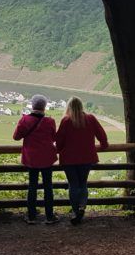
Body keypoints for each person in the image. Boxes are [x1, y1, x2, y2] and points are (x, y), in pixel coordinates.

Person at [55, 97, 108, 225]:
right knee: (83, 183)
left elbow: (59, 141)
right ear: (81, 106)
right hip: (87, 158)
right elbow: (102, 135)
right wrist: (103, 146)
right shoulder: (90, 119)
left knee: (73, 185)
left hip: (69, 159)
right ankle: (82, 207)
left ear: (69, 107)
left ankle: (75, 211)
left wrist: (58, 150)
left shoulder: (66, 121)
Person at [13, 94, 59, 225]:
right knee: (48, 187)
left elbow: (16, 137)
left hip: (31, 158)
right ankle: (49, 216)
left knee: (32, 187)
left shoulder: (25, 120)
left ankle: (31, 216)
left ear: (32, 105)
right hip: (47, 158)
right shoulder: (50, 121)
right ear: (44, 107)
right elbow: (53, 138)